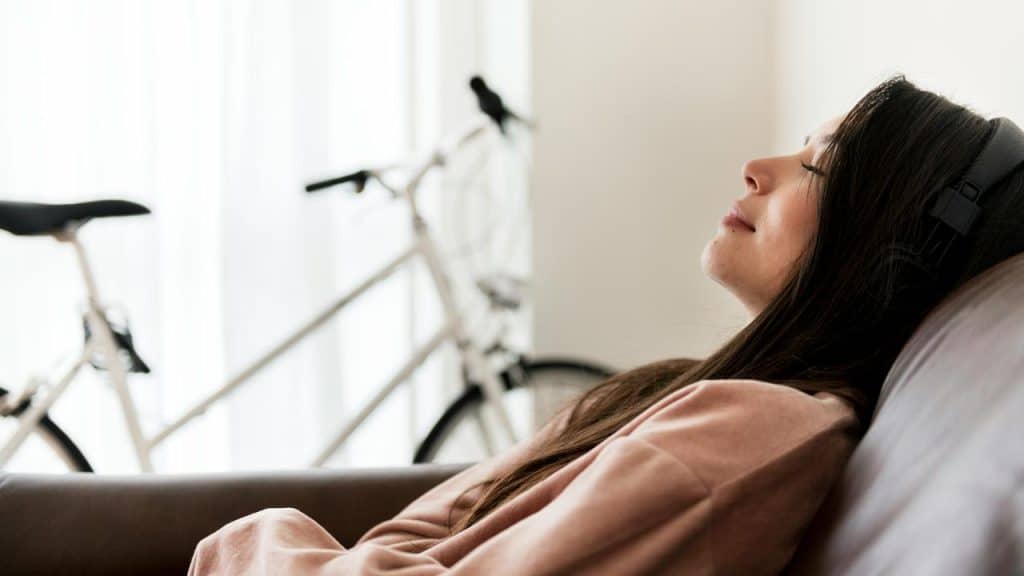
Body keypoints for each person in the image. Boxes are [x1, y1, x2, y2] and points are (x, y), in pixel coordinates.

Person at [187, 74, 1024, 575]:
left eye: (820, 163)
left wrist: (258, 538)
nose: (757, 168)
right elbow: (421, 530)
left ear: (891, 243)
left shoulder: (758, 428)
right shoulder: (682, 391)